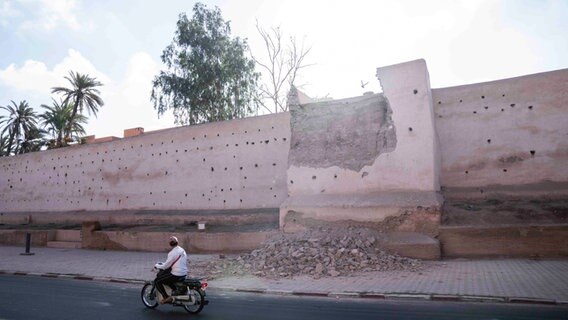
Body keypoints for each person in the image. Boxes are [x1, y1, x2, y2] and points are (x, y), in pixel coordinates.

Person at [155, 236, 188, 304]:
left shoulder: (172, 253)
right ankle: (175, 290)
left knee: (157, 281)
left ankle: (166, 297)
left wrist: (157, 265)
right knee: (167, 279)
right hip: (184, 273)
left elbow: (165, 266)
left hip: (176, 274)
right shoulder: (182, 250)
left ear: (170, 244)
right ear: (177, 242)